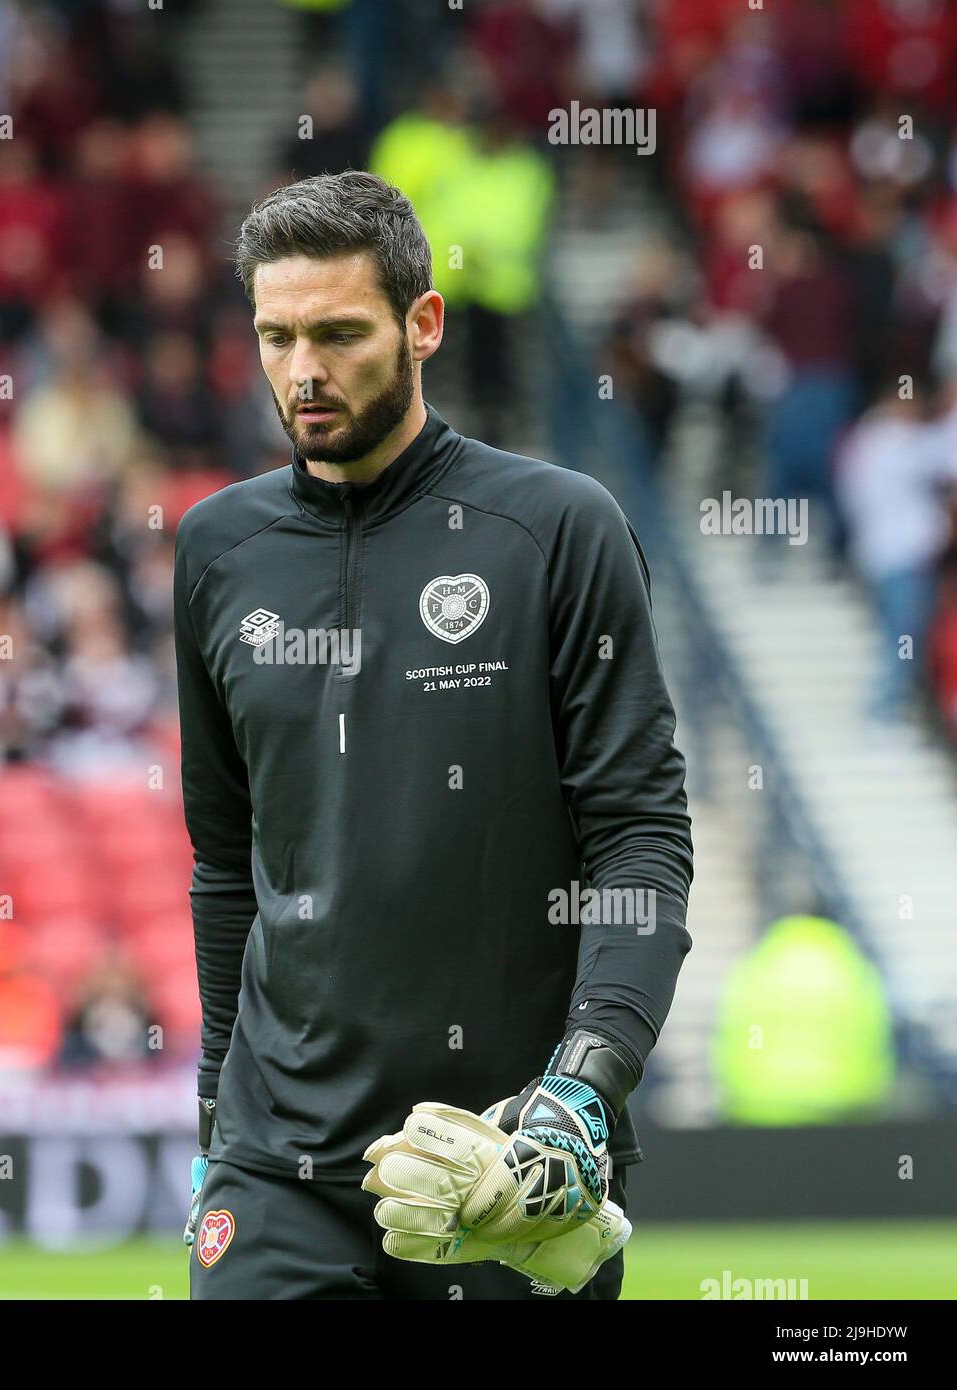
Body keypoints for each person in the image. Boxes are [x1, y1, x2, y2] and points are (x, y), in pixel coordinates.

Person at [173, 170, 693, 1300]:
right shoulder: (216, 551)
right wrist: (217, 1106)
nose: (302, 370)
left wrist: (584, 1087)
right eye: (275, 335)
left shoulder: (557, 529)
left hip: (509, 1159)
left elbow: (638, 840)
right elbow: (226, 863)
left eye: (338, 333)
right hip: (277, 1168)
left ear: (423, 325)